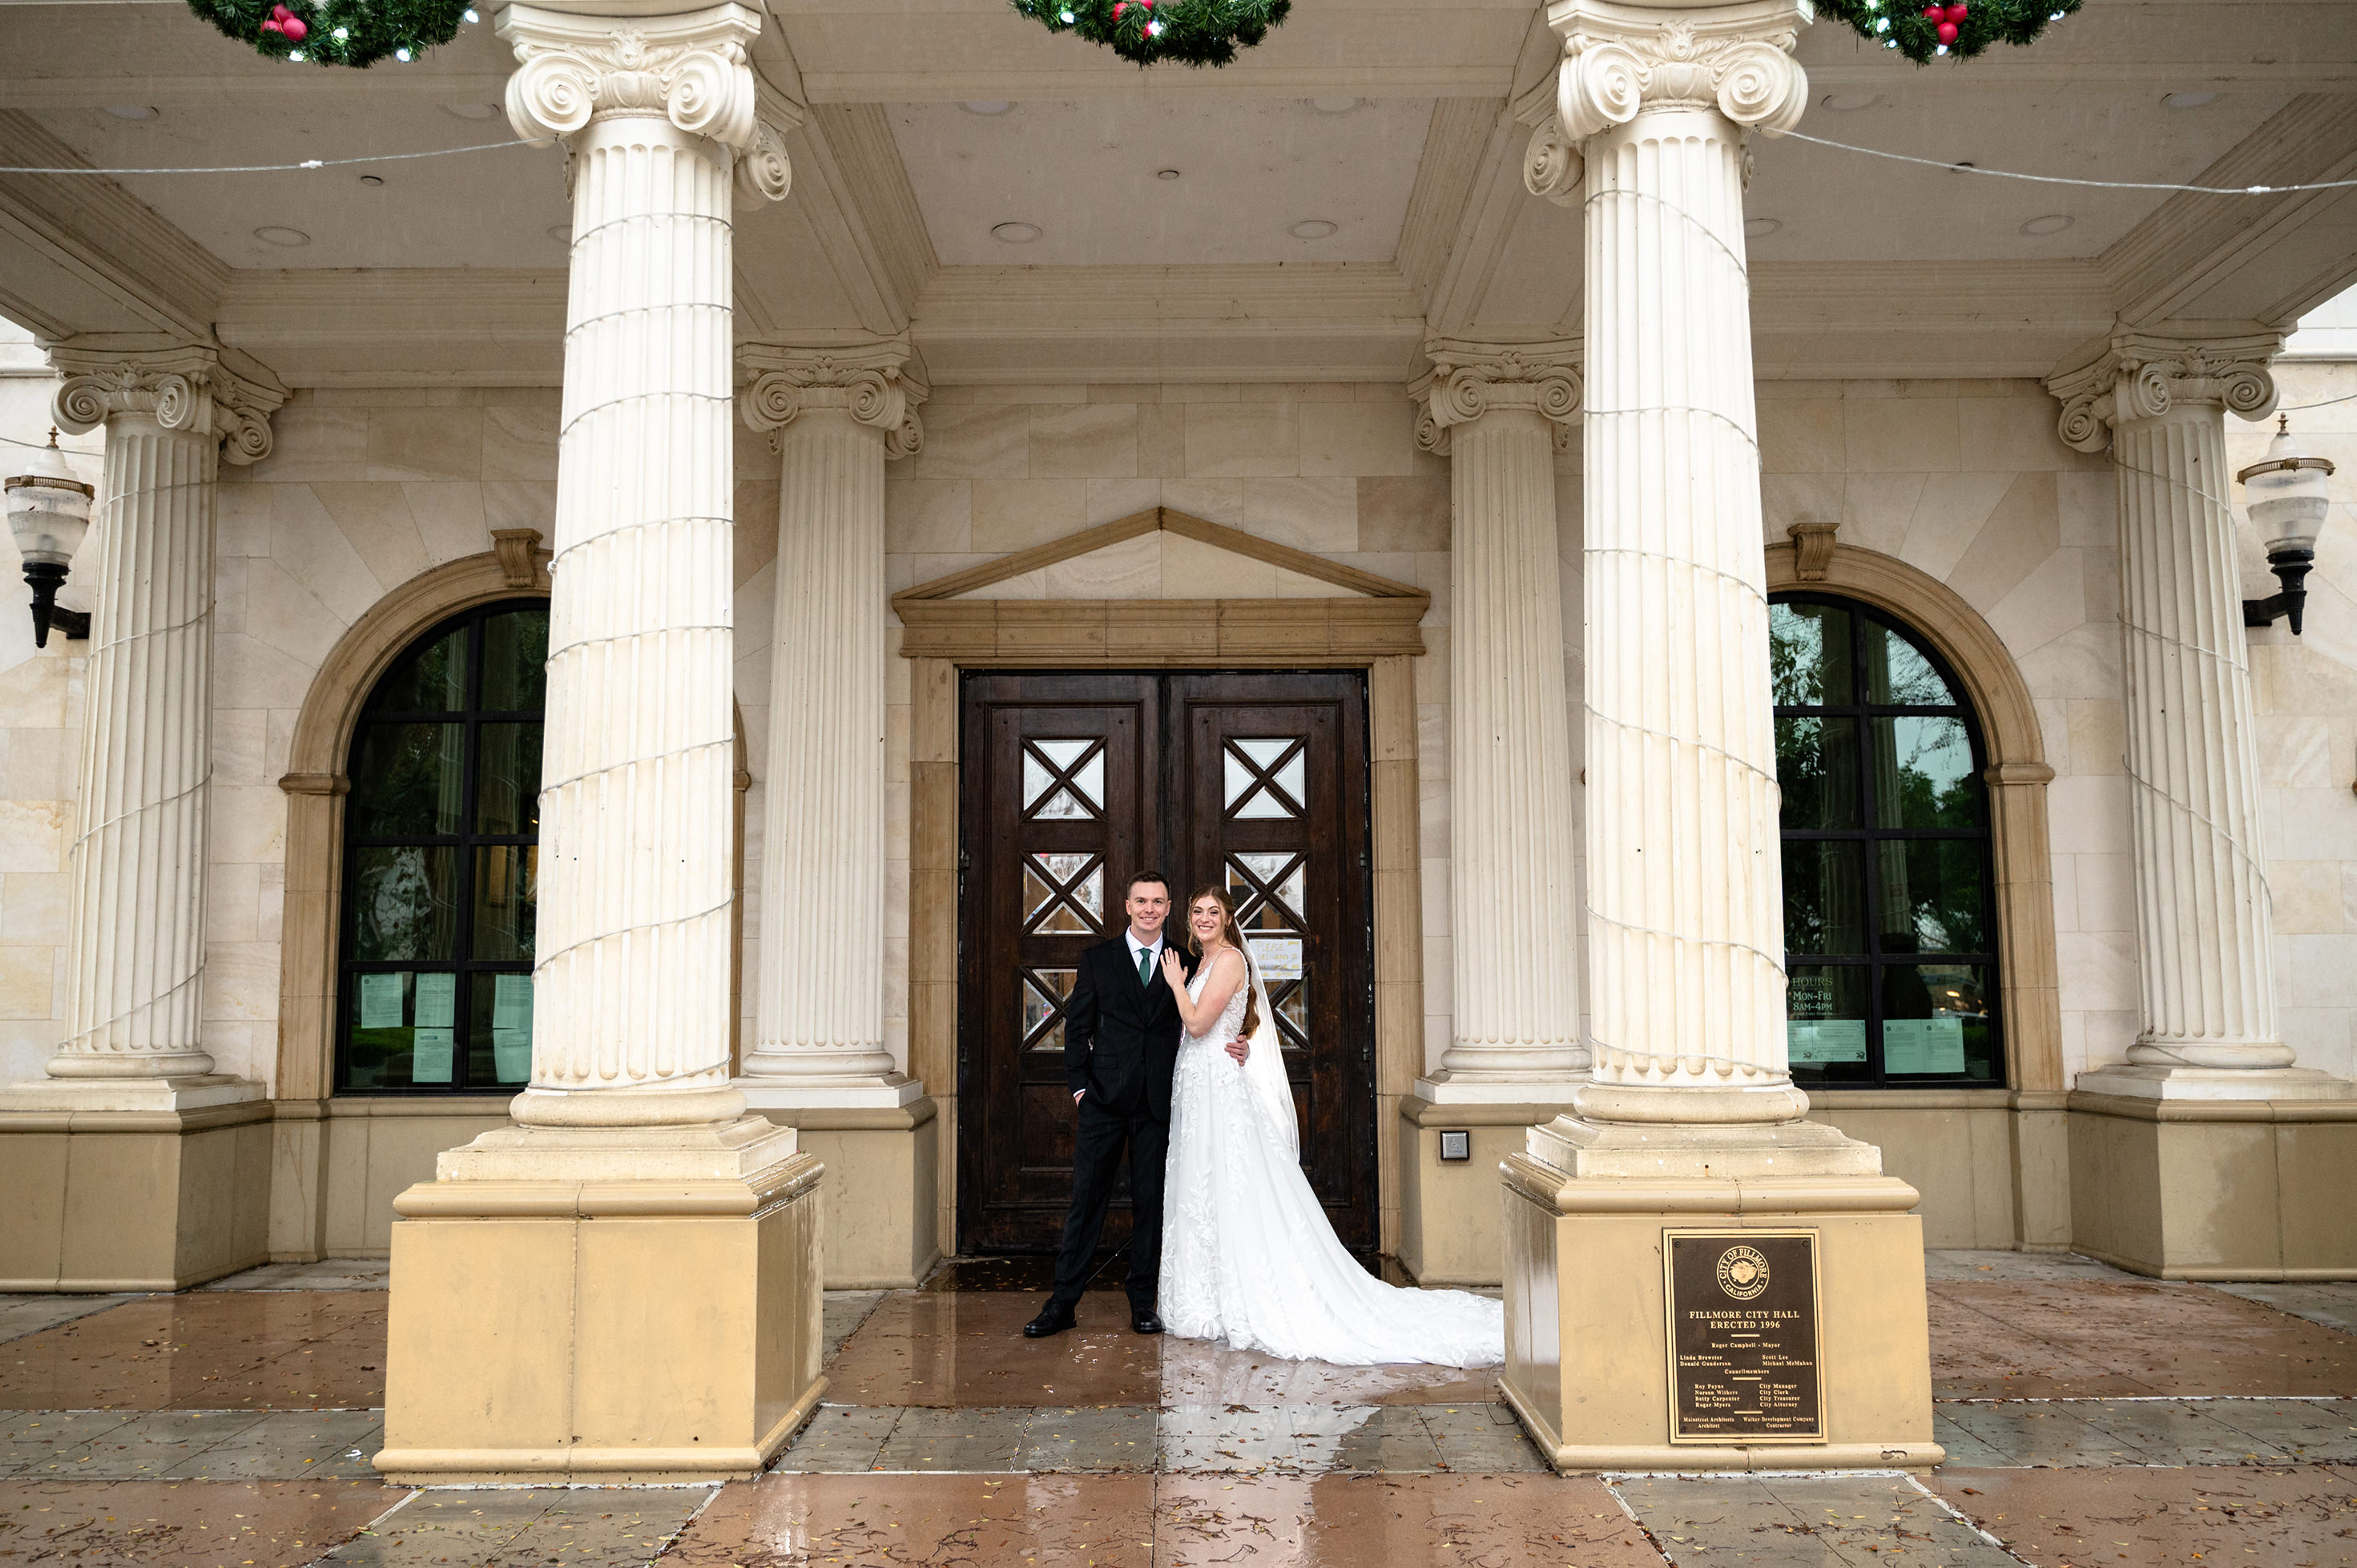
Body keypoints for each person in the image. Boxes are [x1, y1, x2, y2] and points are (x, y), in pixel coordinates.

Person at [1157, 885, 1505, 1367]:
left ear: (1228, 917)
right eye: (1197, 912)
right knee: (1204, 1187)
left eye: (1213, 911)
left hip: (1216, 1090)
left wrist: (1175, 983)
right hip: (1199, 1086)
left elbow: (1197, 1025)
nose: (1203, 919)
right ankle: (1208, 1299)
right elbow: (1218, 1027)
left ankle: (1243, 1295)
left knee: (1232, 1185)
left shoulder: (1230, 960)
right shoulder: (1204, 964)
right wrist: (1233, 1038)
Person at [1024, 871, 1198, 1339]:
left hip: (1158, 1103)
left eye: (1157, 902)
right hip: (1103, 1100)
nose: (1149, 909)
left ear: (1167, 907)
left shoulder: (1187, 961)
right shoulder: (1098, 959)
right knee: (1087, 1202)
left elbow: (1207, 1016)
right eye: (1141, 901)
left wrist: (1240, 1042)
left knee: (1150, 1204)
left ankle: (1143, 1302)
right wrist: (1081, 1088)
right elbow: (1077, 1028)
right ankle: (1062, 1303)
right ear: (1126, 906)